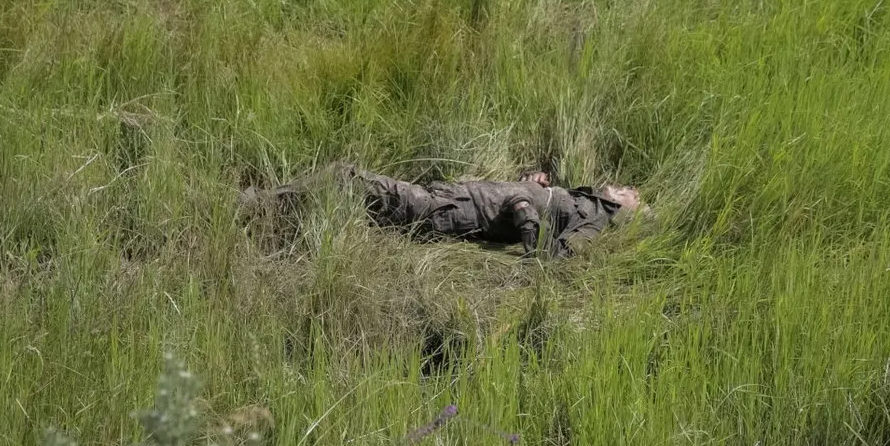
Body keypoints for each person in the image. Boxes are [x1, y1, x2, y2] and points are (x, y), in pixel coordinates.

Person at [241, 163, 643, 258]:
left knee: (345, 177)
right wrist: (532, 182)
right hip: (454, 198)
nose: (625, 188)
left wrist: (526, 213)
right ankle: (272, 213)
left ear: (623, 212)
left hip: (449, 211)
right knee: (356, 202)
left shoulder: (594, 221)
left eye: (630, 194)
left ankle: (258, 206)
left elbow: (556, 253)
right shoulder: (582, 199)